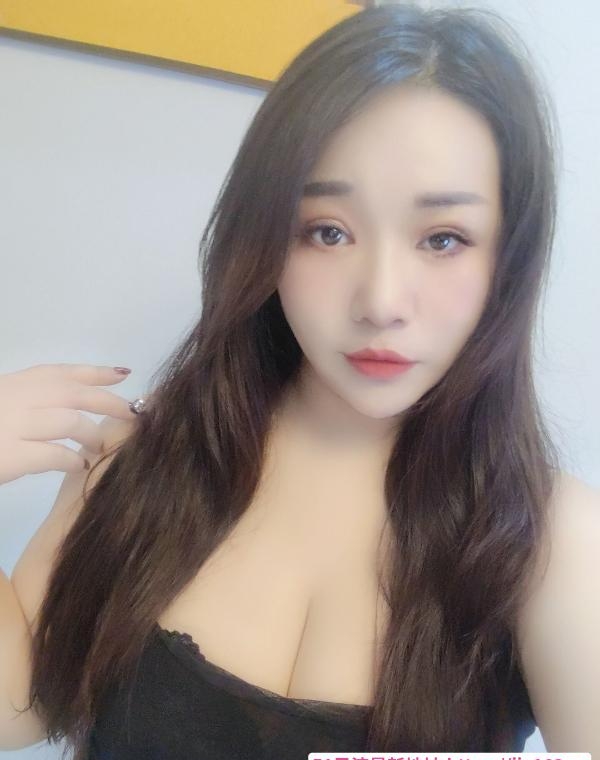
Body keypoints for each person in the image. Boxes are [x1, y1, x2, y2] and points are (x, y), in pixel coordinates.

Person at [1, 3, 598, 758]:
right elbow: (19, 710)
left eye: (443, 239)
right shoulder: (145, 453)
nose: (381, 301)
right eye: (328, 231)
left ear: (508, 257)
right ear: (263, 238)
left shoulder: (551, 541)